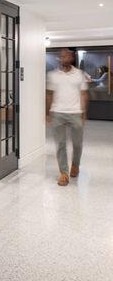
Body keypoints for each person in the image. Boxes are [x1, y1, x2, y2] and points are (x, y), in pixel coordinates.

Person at [46, 48, 89, 186]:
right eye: (62, 56)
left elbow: (83, 94)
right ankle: (64, 173)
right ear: (59, 58)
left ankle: (75, 165)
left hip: (75, 112)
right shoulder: (53, 75)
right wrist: (47, 112)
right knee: (60, 144)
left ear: (71, 58)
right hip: (57, 112)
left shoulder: (79, 74)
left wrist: (84, 112)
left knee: (77, 143)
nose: (64, 59)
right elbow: (49, 94)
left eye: (67, 56)